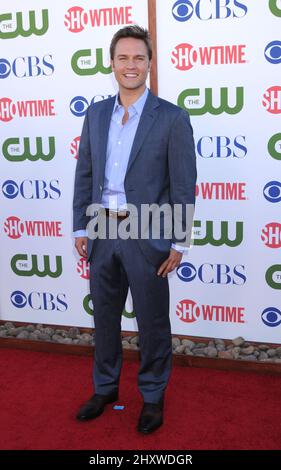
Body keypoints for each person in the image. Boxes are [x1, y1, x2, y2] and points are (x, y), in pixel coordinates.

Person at [73, 25, 197, 434]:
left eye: (139, 58)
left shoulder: (172, 118)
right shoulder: (94, 115)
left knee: (152, 321)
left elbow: (182, 185)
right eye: (123, 57)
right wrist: (80, 227)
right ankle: (105, 387)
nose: (131, 65)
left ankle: (153, 395)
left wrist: (179, 240)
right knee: (104, 319)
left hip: (147, 234)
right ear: (112, 63)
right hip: (101, 230)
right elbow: (85, 174)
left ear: (149, 64)